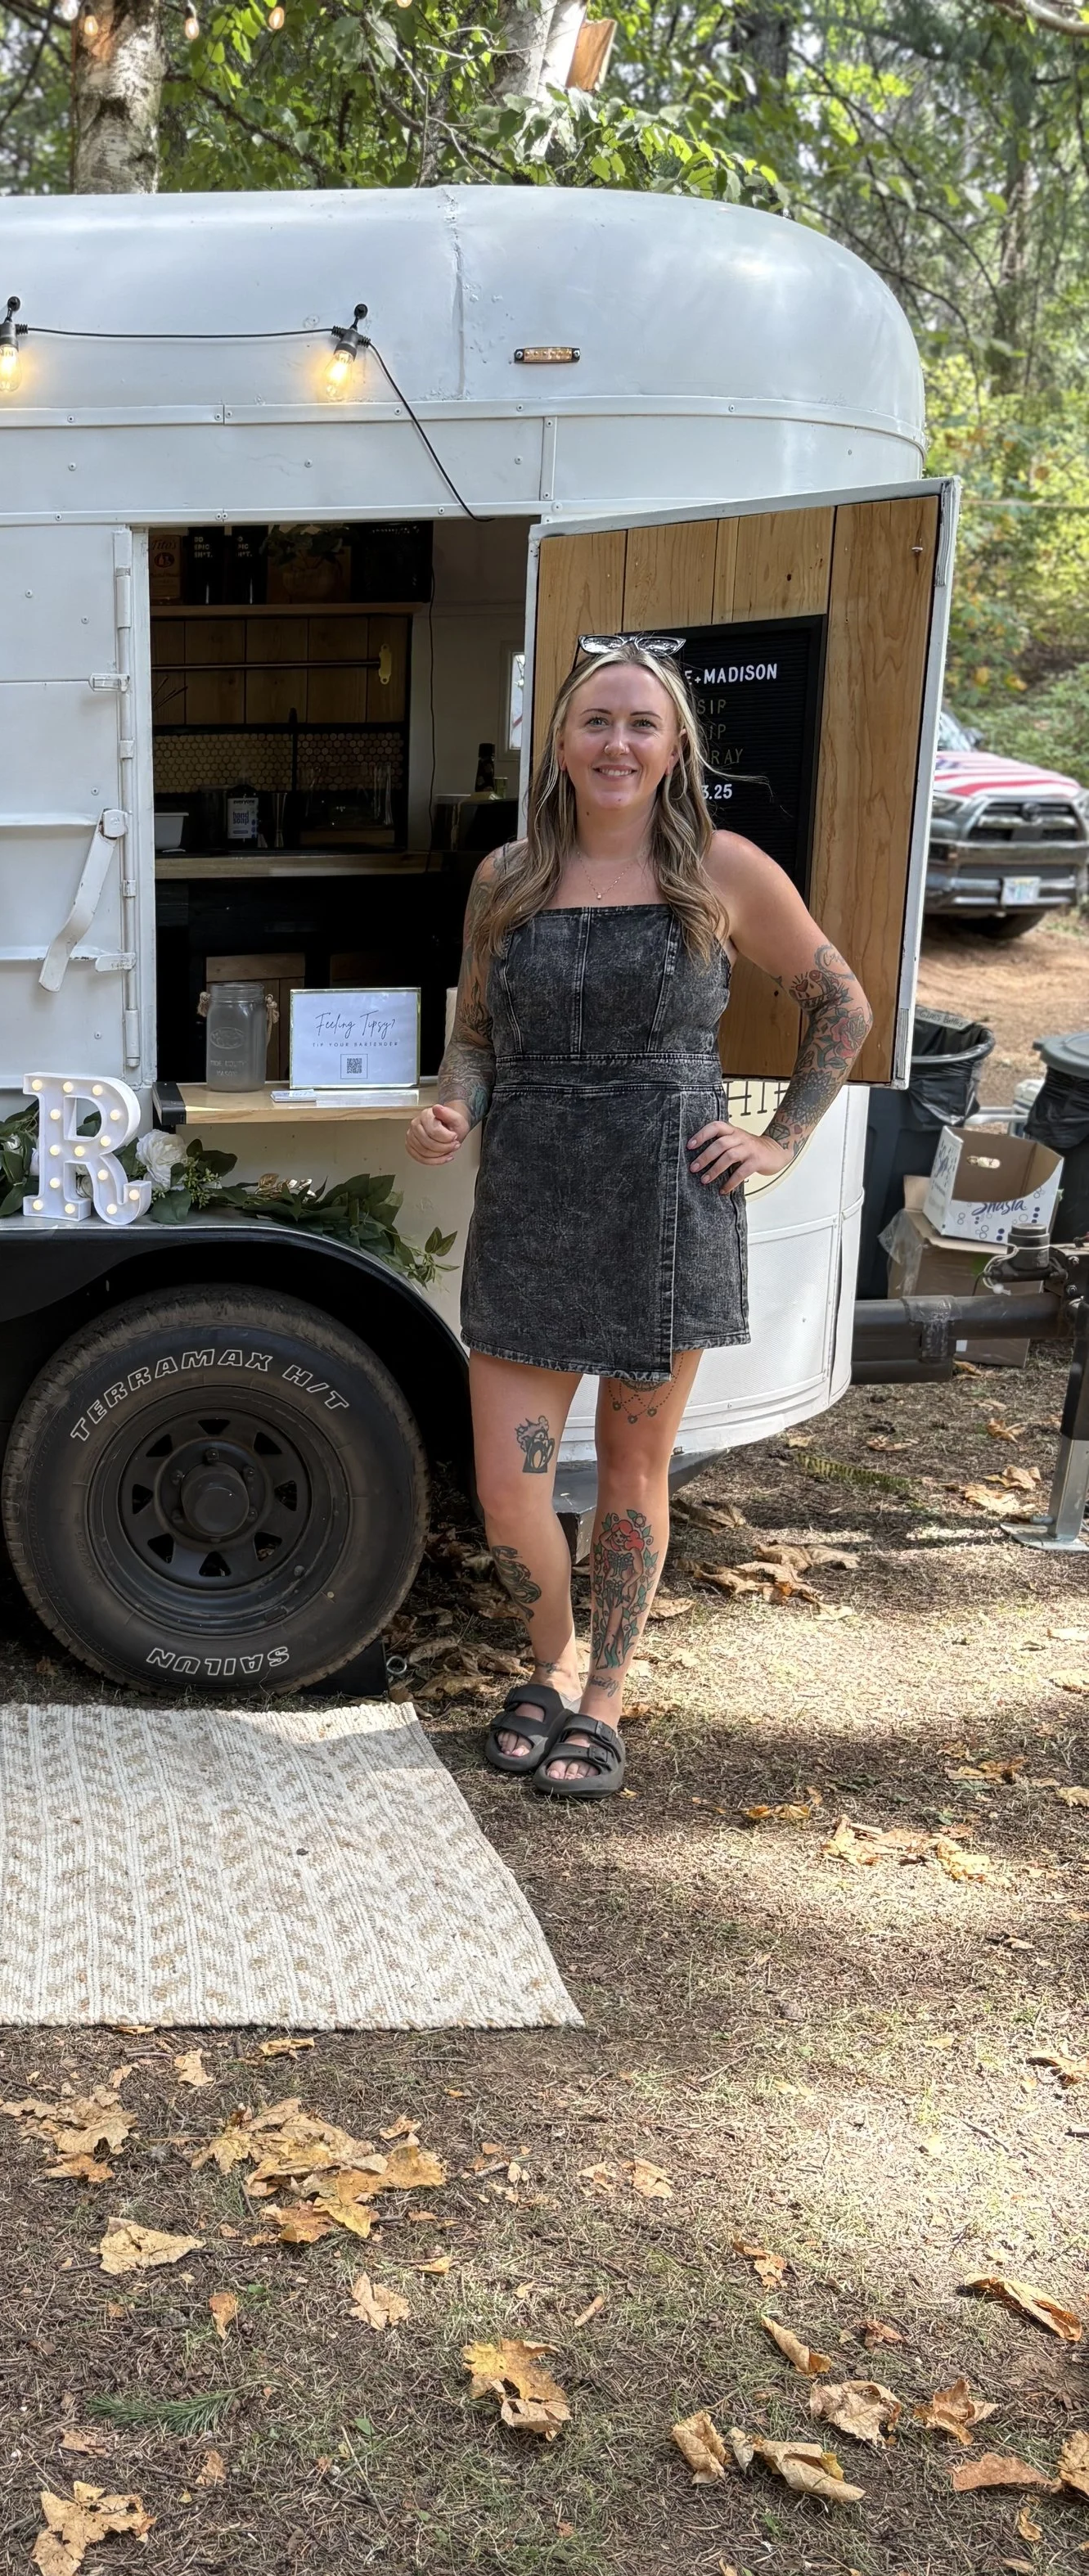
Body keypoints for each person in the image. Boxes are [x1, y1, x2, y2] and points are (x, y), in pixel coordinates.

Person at [405, 637, 872, 1799]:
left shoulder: (724, 869)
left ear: (674, 750)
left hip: (669, 1200)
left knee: (630, 1462)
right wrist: (453, 1105)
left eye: (641, 724)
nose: (617, 743)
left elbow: (841, 1003)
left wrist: (780, 1139)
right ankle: (551, 1664)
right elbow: (477, 1036)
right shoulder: (505, 876)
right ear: (559, 743)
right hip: (530, 1196)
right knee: (510, 1484)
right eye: (596, 721)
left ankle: (602, 1696)